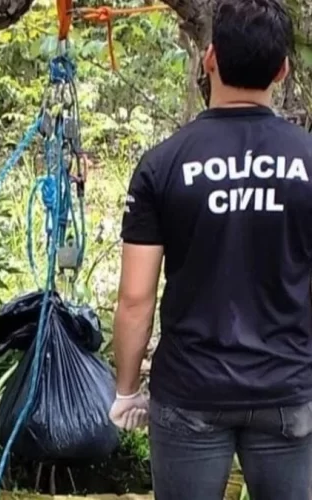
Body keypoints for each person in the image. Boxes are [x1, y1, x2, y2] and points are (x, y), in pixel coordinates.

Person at [108, 1, 312, 499]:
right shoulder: (308, 161)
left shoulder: (163, 163)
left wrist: (127, 390)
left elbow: (136, 297)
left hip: (190, 392)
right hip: (288, 389)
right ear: (283, 69)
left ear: (209, 58)